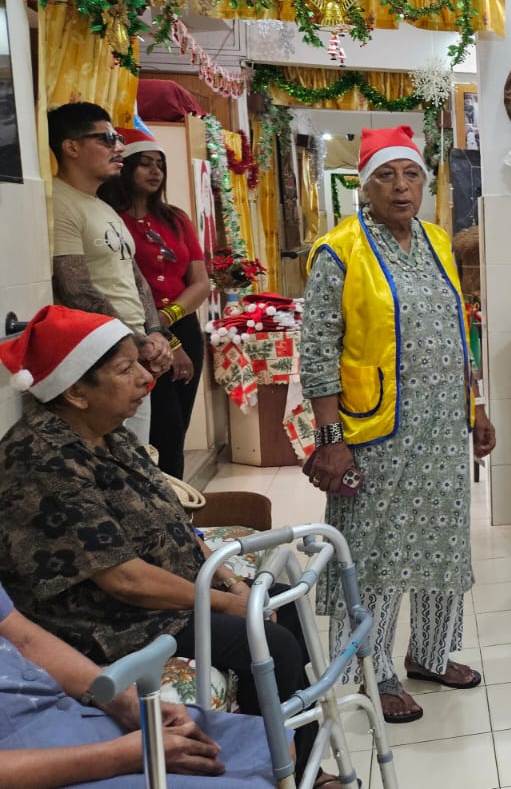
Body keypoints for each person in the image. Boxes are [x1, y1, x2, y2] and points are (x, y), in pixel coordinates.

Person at [0, 305, 327, 785]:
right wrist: (223, 603)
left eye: (139, 362)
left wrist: (230, 581)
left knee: (281, 602)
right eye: (125, 369)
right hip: (106, 621)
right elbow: (123, 579)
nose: (145, 377)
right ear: (75, 392)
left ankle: (306, 760)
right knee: (270, 641)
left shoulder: (110, 435)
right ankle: (282, 771)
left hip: (161, 598)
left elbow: (172, 520)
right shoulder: (42, 459)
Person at [301, 125, 495, 723]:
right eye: (385, 176)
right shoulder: (338, 250)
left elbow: (458, 330)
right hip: (375, 432)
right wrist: (330, 440)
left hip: (441, 428)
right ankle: (372, 669)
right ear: (365, 186)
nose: (401, 186)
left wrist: (476, 406)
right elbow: (317, 352)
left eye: (411, 174)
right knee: (376, 553)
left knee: (441, 543)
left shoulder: (437, 240)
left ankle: (430, 654)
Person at [0, 580, 276, 788]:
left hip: (65, 716)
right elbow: (127, 580)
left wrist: (122, 700)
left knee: (274, 744)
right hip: (33, 762)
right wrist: (120, 757)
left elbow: (24, 638)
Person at [46, 103, 173, 444]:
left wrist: (155, 332)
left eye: (118, 139)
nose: (118, 148)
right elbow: (75, 288)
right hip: (100, 357)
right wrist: (136, 343)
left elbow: (135, 278)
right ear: (71, 147)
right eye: (107, 139)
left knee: (138, 451)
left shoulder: (103, 207)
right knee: (115, 456)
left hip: (132, 351)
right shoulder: (59, 203)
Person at [98, 127, 209, 479]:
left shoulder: (175, 218)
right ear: (125, 166)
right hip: (136, 334)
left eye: (159, 164)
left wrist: (168, 317)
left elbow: (201, 283)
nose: (155, 171)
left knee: (177, 430)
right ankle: (159, 501)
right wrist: (160, 332)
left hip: (182, 327)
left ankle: (176, 502)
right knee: (161, 430)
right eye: (144, 163)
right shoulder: (110, 218)